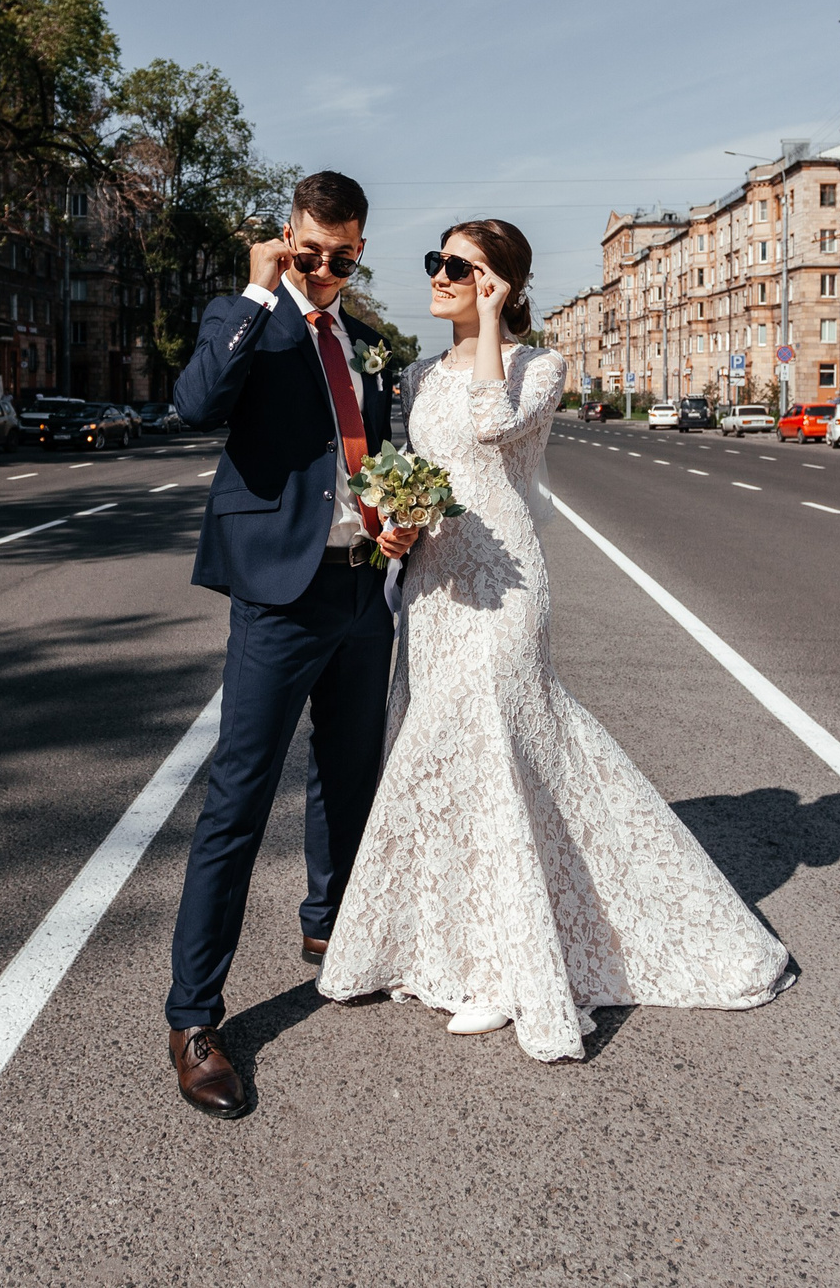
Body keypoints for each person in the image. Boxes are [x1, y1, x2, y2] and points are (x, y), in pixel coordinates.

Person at [317, 218, 794, 1061]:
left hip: (506, 587)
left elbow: (493, 426)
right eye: (436, 261)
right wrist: (394, 524)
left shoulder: (541, 366)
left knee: (495, 742)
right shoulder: (418, 374)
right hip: (434, 584)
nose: (438, 276)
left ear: (497, 282)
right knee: (446, 758)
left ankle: (505, 971)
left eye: (457, 266)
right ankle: (449, 944)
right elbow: (415, 475)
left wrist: (490, 328)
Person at [163, 170, 415, 1118]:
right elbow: (196, 405)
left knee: (350, 776)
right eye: (310, 252)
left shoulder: (366, 339)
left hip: (360, 588)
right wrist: (260, 288)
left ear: (359, 250)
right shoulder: (251, 316)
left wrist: (395, 520)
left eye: (341, 257)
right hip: (278, 595)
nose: (324, 270)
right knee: (238, 797)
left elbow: (368, 457)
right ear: (286, 238)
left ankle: (331, 928)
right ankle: (194, 1019)